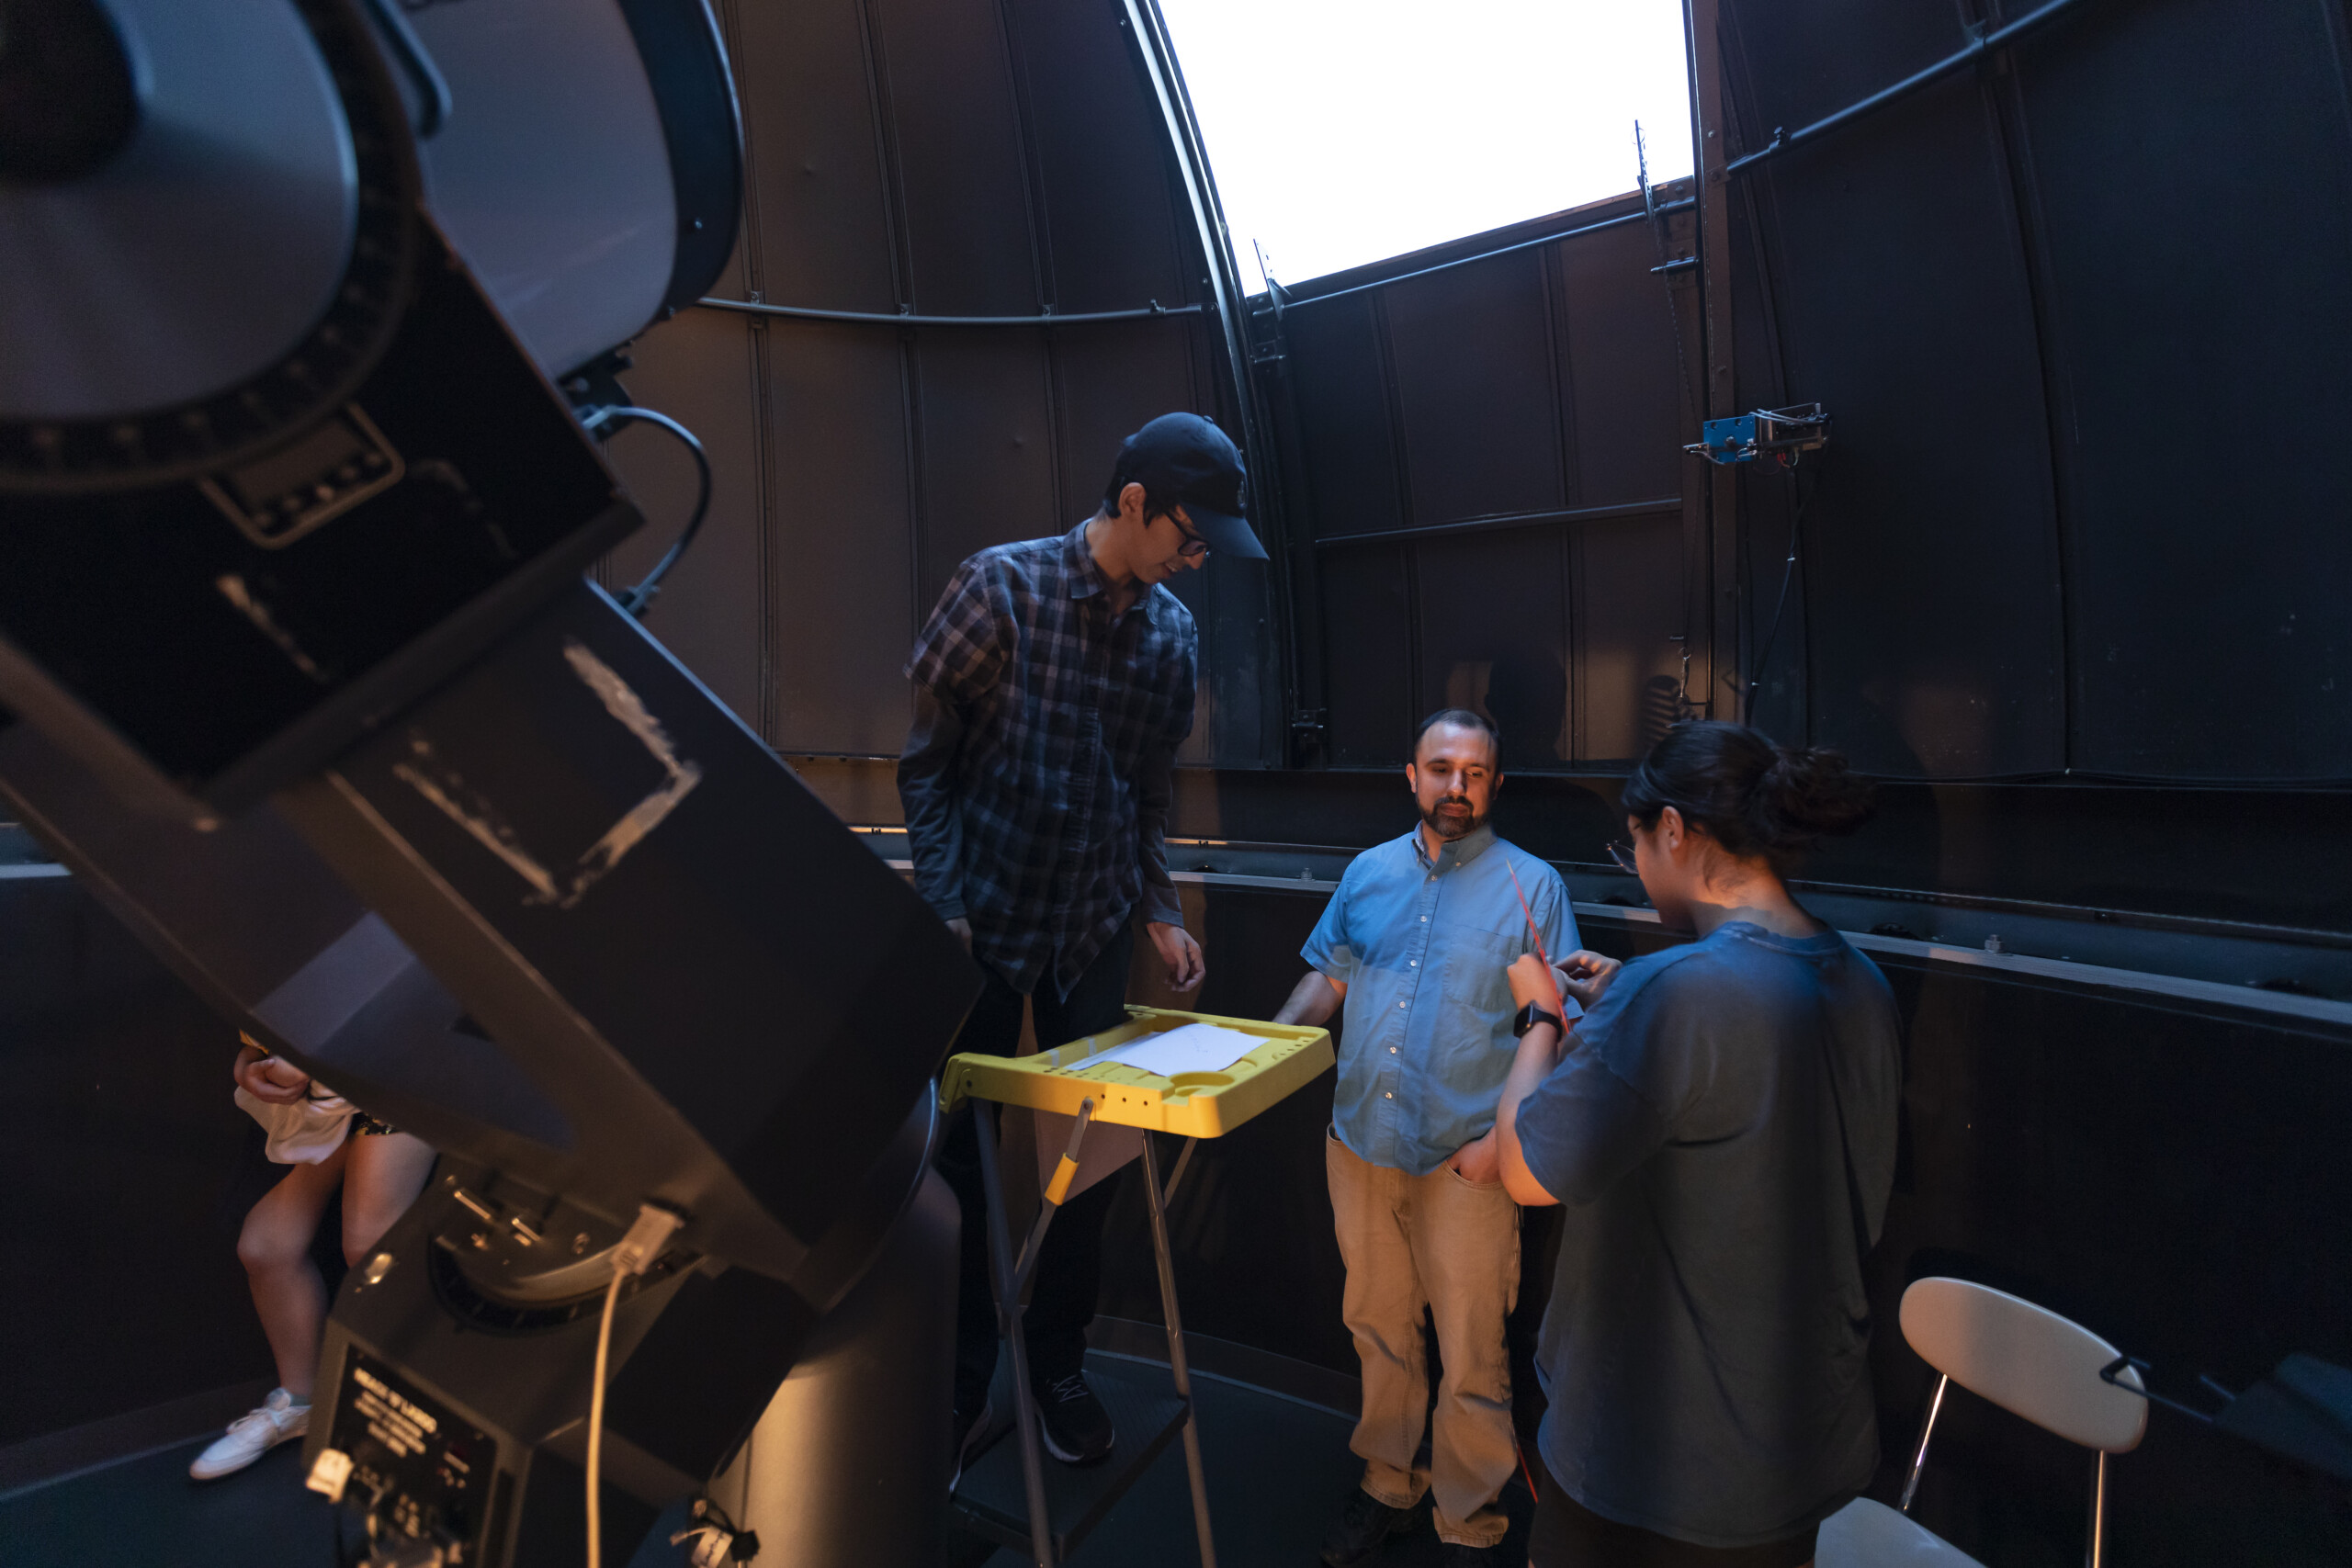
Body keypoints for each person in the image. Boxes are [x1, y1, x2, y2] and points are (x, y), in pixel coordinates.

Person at [899, 412, 1267, 1474]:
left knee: (1088, 1158)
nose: (1199, 559)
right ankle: (961, 1377)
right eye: (1191, 536)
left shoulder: (1173, 635)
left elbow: (1147, 793)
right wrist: (946, 902)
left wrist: (1157, 906)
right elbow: (925, 765)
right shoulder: (997, 587)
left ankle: (1056, 1366)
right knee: (958, 1164)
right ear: (1136, 501)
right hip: (982, 920)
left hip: (1095, 923)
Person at [1491, 721, 1898, 1568]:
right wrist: (1624, 1005)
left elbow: (1525, 1172)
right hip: (1793, 1454)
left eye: (1633, 843)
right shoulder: (1862, 981)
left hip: (1656, 1468)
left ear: (1672, 829)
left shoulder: (1672, 994)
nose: (1637, 865)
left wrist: (1542, 1015)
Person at [1270, 709, 1578, 1568]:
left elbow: (1550, 1027)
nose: (1456, 785)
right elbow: (1329, 976)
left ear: (1496, 785)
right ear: (1412, 776)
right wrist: (1269, 1044)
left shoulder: (1534, 886)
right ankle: (1387, 1485)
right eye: (1440, 767)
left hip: (1465, 1161)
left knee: (1475, 1351)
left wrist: (1494, 1152)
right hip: (1360, 1144)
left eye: (1474, 772)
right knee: (1377, 1327)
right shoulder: (1367, 873)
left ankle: (1469, 1520)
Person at [189, 1034, 435, 1481]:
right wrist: (251, 1058)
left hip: (403, 1064)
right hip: (326, 1078)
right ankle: (300, 1404)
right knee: (265, 1247)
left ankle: (412, 1429)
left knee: (368, 1249)